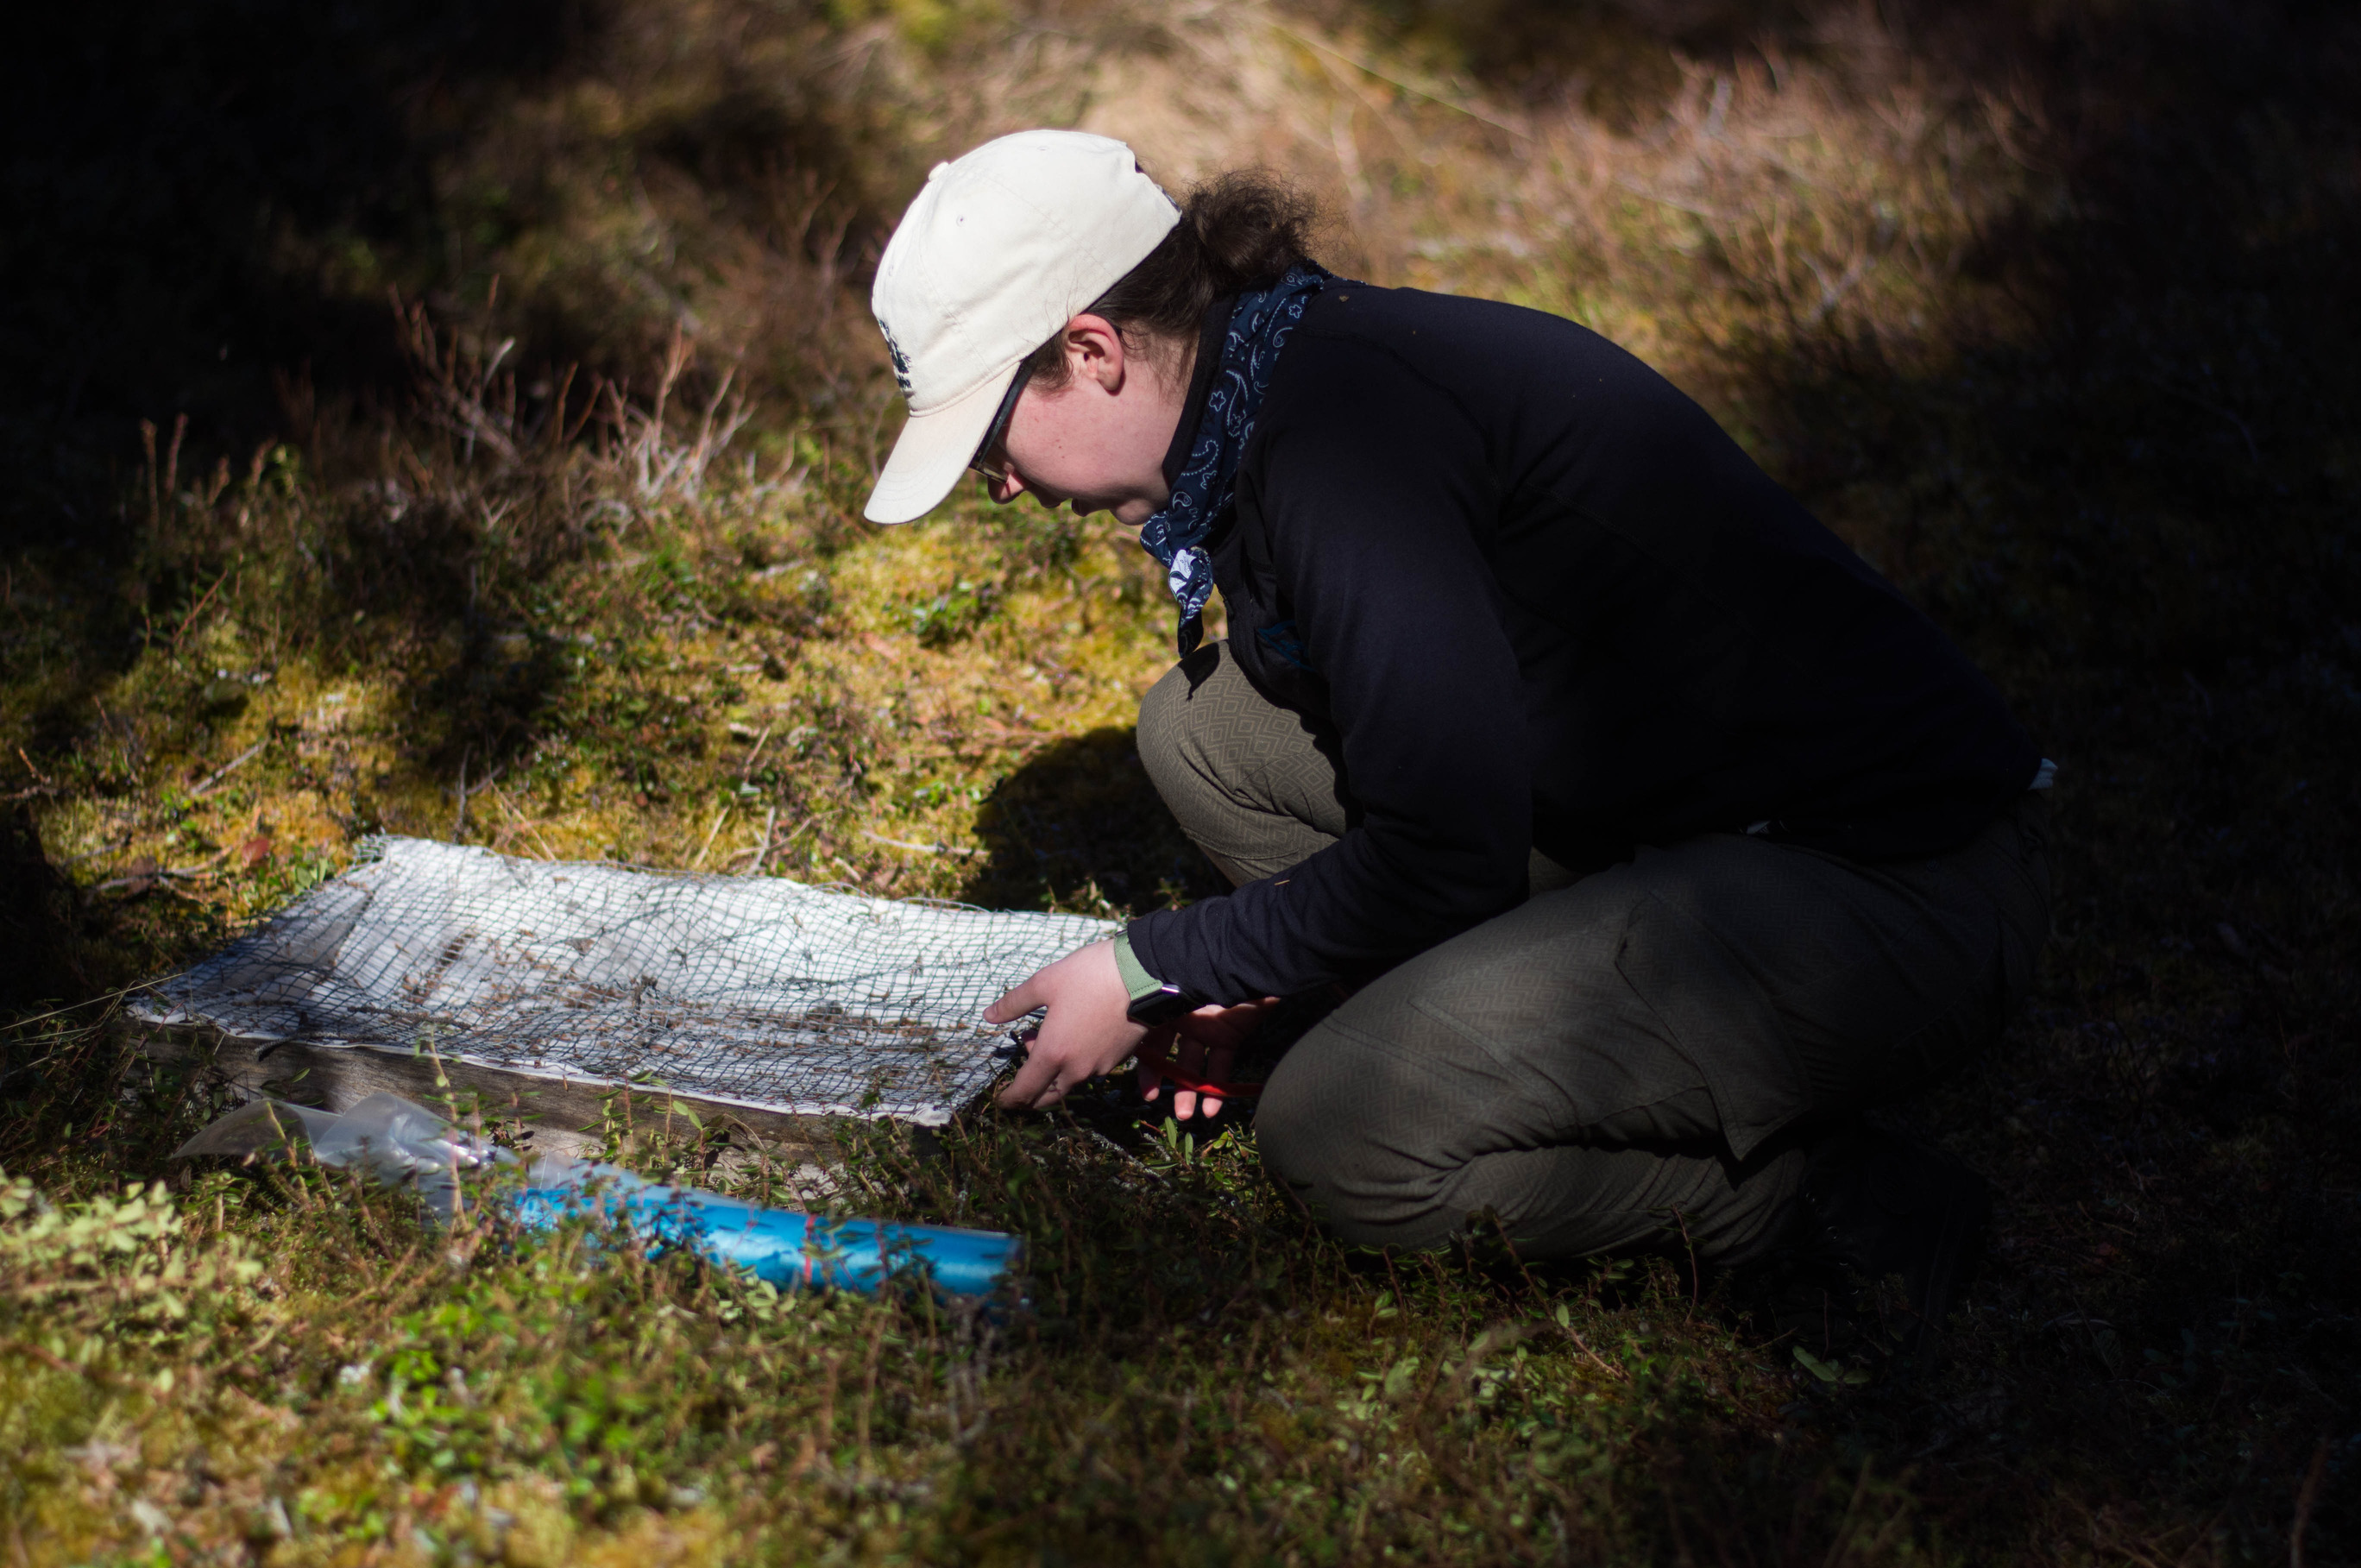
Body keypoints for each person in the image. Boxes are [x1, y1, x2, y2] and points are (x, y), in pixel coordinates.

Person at [861, 129, 2050, 1352]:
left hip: (1894, 886)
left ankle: (1822, 1203)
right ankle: (1479, 1026)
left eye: (988, 437)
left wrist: (1157, 965)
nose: (997, 484)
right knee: (1203, 732)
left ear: (1092, 350)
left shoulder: (1343, 451)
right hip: (1675, 821)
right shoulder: (1275, 380)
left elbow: (1444, 849)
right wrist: (1253, 964)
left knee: (1341, 1134)